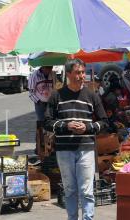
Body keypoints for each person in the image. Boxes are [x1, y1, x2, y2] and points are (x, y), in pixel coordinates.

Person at [44, 59, 107, 220]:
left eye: (83, 72)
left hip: (86, 149)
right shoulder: (56, 96)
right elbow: (47, 122)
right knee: (70, 189)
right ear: (69, 74)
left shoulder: (91, 95)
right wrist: (66, 126)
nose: (82, 76)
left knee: (86, 190)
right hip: (64, 150)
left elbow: (105, 122)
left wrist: (88, 128)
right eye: (78, 72)